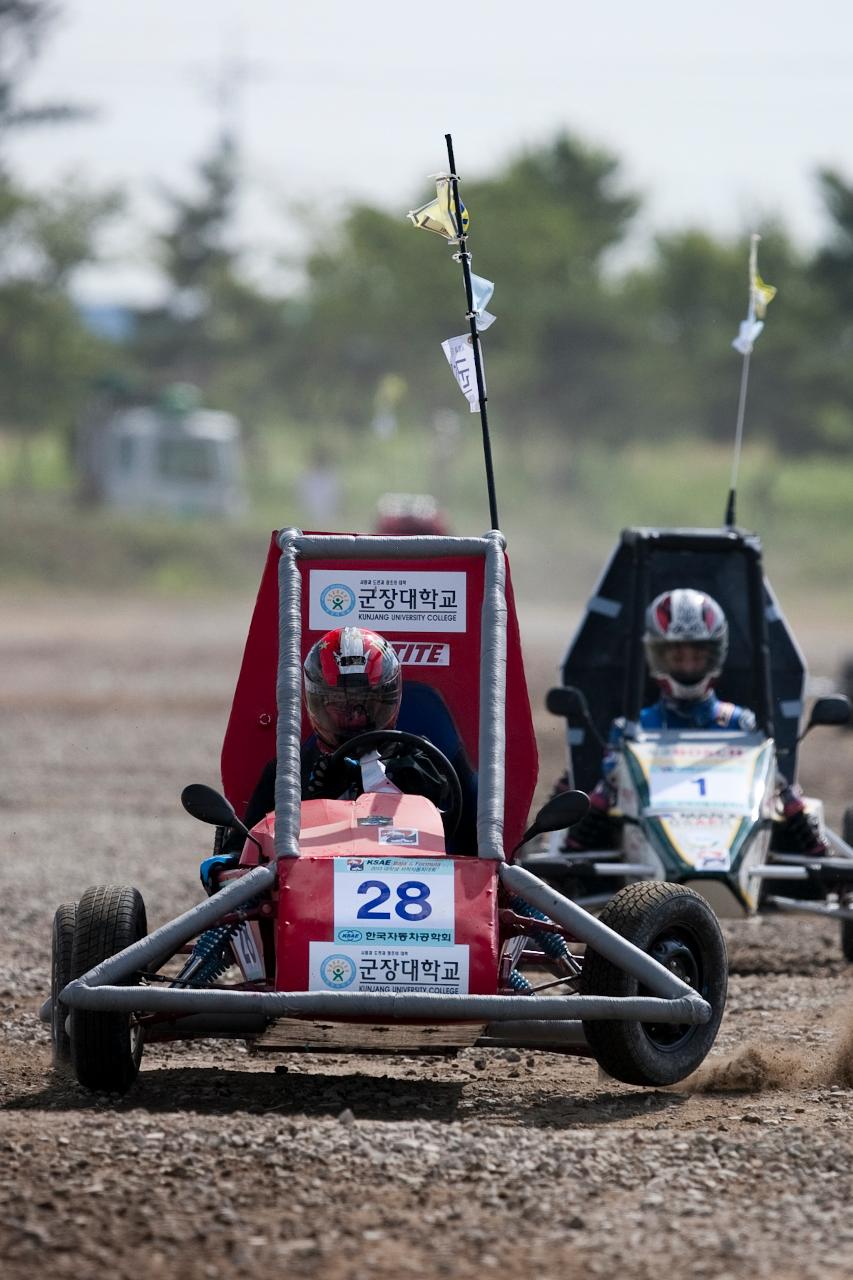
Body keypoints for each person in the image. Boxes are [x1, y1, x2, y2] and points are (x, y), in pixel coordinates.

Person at [561, 587, 830, 857]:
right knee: (582, 795)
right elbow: (605, 796)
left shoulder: (742, 724)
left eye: (697, 656)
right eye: (677, 657)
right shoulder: (633, 728)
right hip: (649, 852)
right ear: (656, 655)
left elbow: (781, 792)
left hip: (733, 842)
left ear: (715, 654)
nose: (688, 666)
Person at [201, 626, 475, 888]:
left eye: (365, 704)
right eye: (339, 706)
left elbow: (471, 850)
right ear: (316, 703)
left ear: (390, 700)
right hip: (305, 901)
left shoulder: (425, 761)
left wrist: (405, 785)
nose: (355, 717)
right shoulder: (289, 772)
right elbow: (237, 854)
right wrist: (314, 799)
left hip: (426, 897)